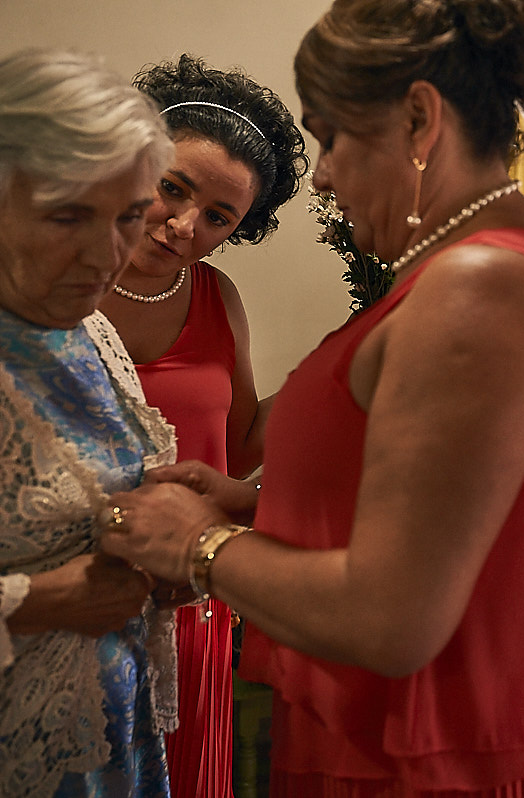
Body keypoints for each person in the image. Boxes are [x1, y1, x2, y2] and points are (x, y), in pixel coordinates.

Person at [99, 0, 524, 795]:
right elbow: (426, 505)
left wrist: (200, 544)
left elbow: (393, 616)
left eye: (331, 135)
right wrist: (247, 501)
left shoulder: (481, 287)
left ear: (418, 120)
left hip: (439, 758)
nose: (324, 174)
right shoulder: (465, 266)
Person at [96, 53, 307, 798]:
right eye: (171, 189)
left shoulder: (217, 298)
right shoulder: (49, 279)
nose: (184, 226)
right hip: (70, 601)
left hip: (187, 605)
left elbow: (243, 449)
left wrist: (339, 371)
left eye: (220, 217)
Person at [0, 48, 176, 797]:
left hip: (106, 739)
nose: (107, 256)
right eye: (67, 215)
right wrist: (38, 604)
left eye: (131, 218)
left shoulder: (89, 331)